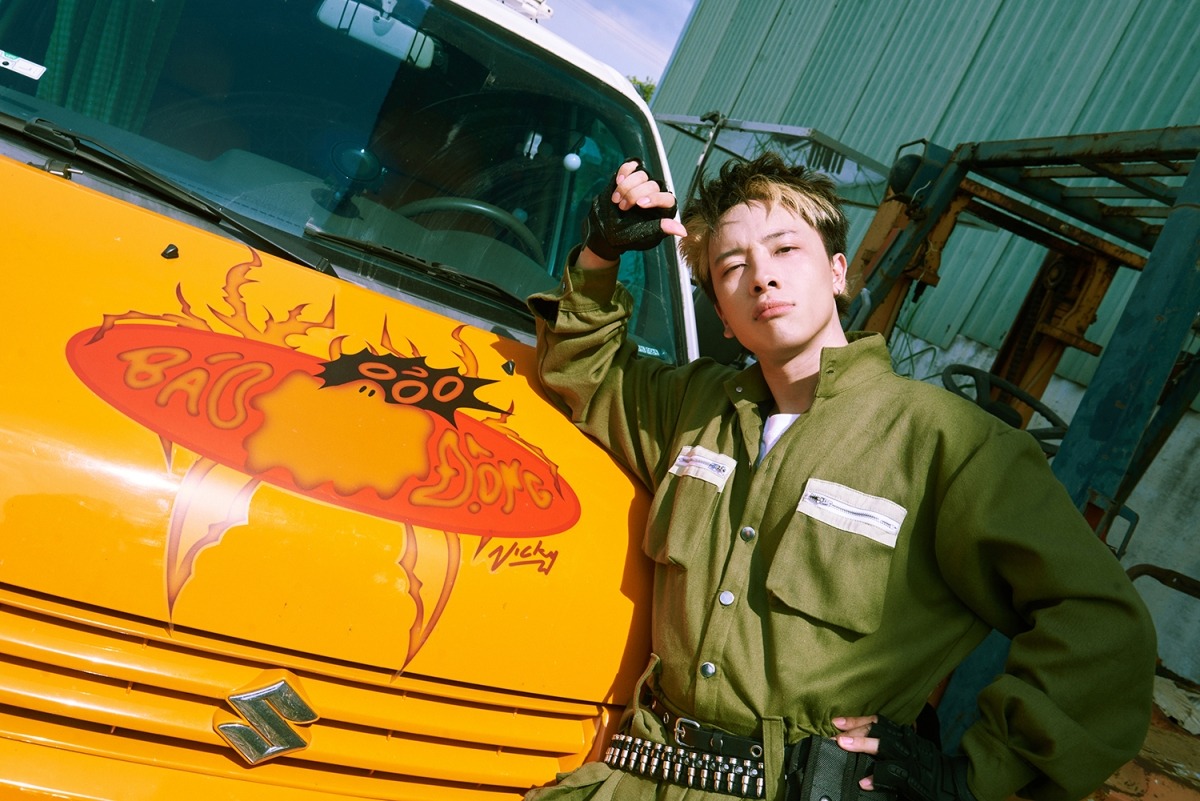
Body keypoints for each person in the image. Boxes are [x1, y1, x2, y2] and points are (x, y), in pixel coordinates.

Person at [525, 153, 1156, 801]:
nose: (762, 277)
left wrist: (969, 779)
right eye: (733, 266)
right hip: (635, 777)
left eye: (785, 249)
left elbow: (1100, 624)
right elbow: (583, 368)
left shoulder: (945, 442)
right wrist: (600, 254)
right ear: (722, 316)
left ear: (837, 271)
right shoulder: (692, 409)